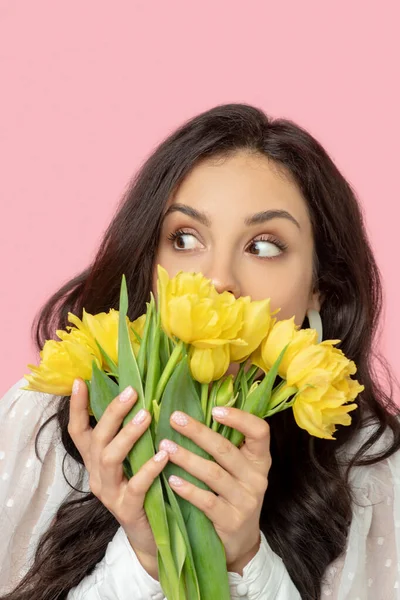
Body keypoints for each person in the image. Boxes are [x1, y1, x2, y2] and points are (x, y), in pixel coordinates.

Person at [0, 103, 399, 600]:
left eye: (265, 246)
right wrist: (146, 558)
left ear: (319, 286)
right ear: (149, 261)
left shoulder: (372, 474)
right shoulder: (39, 425)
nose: (219, 281)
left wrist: (243, 560)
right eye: (184, 238)